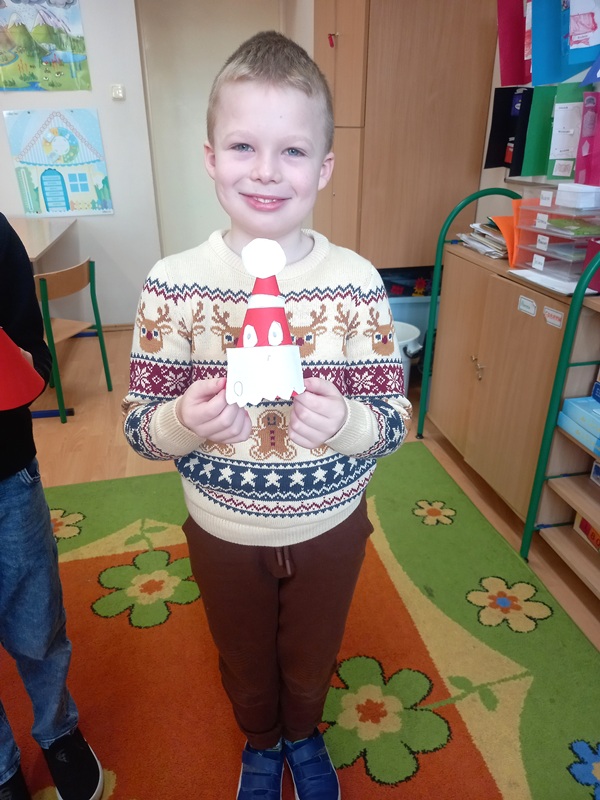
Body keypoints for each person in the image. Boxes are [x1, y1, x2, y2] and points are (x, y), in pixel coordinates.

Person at [122, 31, 412, 800]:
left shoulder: (357, 283)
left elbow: (394, 420)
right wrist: (185, 421)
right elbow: (139, 428)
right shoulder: (173, 284)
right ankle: (260, 741)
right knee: (245, 660)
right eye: (244, 146)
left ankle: (303, 734)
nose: (265, 171)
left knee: (311, 659)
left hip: (329, 524)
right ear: (211, 156)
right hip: (222, 526)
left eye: (292, 151)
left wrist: (347, 423)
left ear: (324, 167)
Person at [0, 213, 104, 800]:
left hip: (5, 472)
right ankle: (1, 767)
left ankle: (57, 729)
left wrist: (24, 366)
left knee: (35, 620)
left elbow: (33, 355)